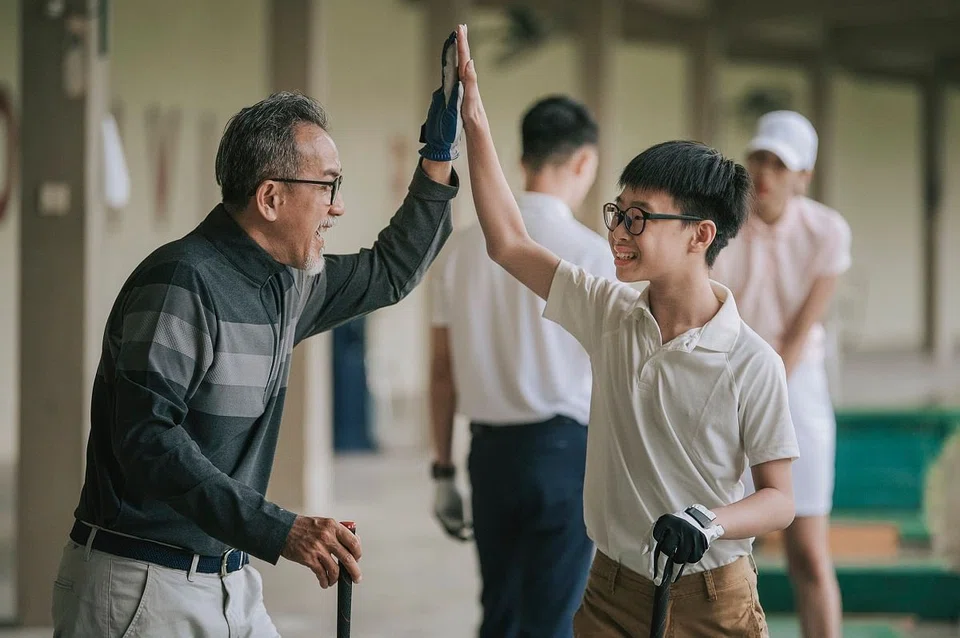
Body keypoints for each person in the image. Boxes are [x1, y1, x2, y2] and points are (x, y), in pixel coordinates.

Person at [51, 33, 464, 637]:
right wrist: (280, 529)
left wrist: (438, 158)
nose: (337, 208)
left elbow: (390, 272)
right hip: (141, 586)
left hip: (230, 580)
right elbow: (146, 439)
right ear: (270, 197)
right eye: (328, 186)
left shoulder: (288, 286)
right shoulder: (181, 282)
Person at [450, 24, 800, 637]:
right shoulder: (608, 313)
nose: (617, 231)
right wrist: (474, 119)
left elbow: (780, 498)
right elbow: (507, 242)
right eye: (618, 212)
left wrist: (710, 521)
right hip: (611, 588)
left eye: (639, 219)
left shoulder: (752, 361)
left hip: (712, 596)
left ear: (699, 235)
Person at [429, 94, 616, 637]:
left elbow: (441, 372)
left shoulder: (460, 250)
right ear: (584, 161)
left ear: (523, 156)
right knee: (554, 619)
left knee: (500, 615)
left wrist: (443, 470)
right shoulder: (594, 254)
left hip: (489, 455)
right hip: (565, 453)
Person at [711, 110, 852, 638]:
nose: (764, 173)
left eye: (778, 163)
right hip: (725, 381)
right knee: (720, 549)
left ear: (803, 177)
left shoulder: (828, 230)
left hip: (798, 386)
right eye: (758, 158)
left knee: (808, 553)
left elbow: (798, 332)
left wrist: (766, 386)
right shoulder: (720, 228)